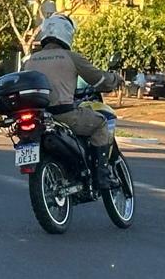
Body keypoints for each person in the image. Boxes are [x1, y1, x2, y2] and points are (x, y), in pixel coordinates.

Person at [23, 13, 123, 190]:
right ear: (67, 33)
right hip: (64, 114)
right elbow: (99, 79)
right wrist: (116, 79)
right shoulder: (71, 57)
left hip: (38, 116)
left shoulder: (30, 60)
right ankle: (101, 176)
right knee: (101, 124)